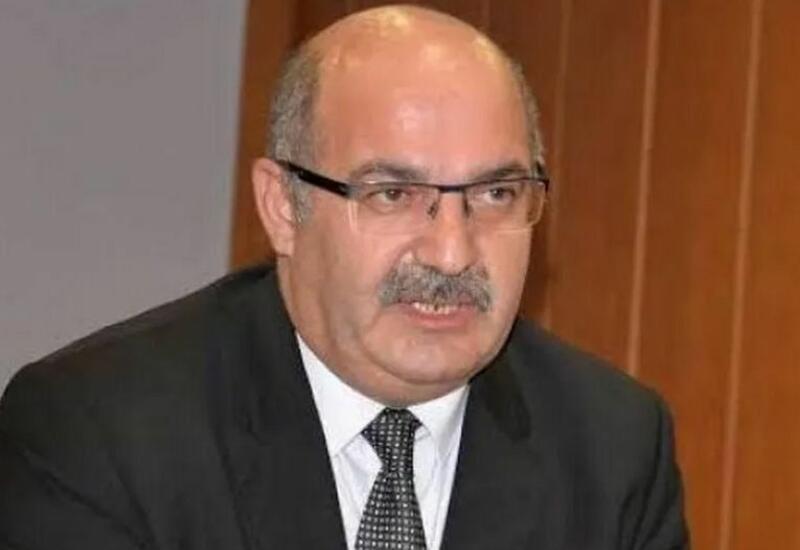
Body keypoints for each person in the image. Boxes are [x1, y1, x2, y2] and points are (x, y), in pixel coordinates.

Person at [0, 5, 689, 550]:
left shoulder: (613, 447)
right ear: (283, 207)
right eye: (392, 194)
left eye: (496, 194)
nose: (452, 254)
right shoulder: (100, 430)